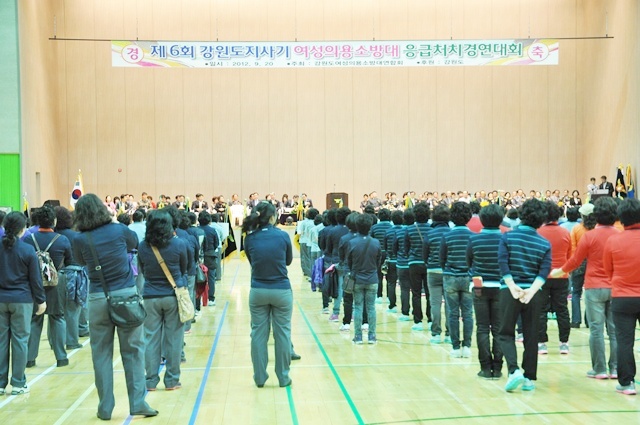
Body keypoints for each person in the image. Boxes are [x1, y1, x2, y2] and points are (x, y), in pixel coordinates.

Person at [72, 193, 157, 420]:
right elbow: (133, 243)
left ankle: (105, 407)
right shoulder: (119, 230)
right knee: (133, 351)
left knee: (100, 354)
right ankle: (138, 402)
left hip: (97, 298)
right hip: (126, 296)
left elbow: (80, 261)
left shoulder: (80, 239)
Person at [550, 197, 620, 380]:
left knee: (596, 330)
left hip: (594, 286)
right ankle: (615, 369)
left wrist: (560, 271)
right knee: (614, 330)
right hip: (615, 287)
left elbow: (575, 260)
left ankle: (599, 369)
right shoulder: (619, 235)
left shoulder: (589, 236)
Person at [497, 199, 551, 393]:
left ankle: (513, 370)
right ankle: (529, 378)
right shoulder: (544, 243)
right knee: (531, 335)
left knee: (505, 333)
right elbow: (544, 270)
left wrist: (512, 286)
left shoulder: (508, 237)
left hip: (509, 291)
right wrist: (531, 291)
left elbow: (503, 262)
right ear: (541, 221)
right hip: (533, 294)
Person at [243, 201, 293, 388]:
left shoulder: (250, 238)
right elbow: (288, 261)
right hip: (281, 290)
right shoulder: (283, 236)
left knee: (258, 334)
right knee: (282, 334)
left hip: (258, 290)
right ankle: (283, 376)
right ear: (273, 217)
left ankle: (259, 377)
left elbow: (252, 261)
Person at [138, 210, 188, 391]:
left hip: (150, 296)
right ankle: (172, 380)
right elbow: (184, 268)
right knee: (174, 338)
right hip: (173, 296)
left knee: (150, 338)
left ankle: (150, 380)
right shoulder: (179, 243)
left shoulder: (143, 246)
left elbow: (142, 269)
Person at [0, 212, 46, 396]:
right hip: (22, 301)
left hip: (1, 300)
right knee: (20, 341)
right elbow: (35, 279)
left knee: (1, 341)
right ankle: (18, 383)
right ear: (23, 229)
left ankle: (0, 384)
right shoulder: (27, 250)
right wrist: (41, 300)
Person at [24, 204, 72, 368]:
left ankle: (30, 359)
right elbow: (69, 261)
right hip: (56, 283)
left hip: (34, 283)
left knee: (35, 319)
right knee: (57, 317)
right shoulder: (62, 240)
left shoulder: (28, 239)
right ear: (54, 221)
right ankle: (61, 358)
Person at [603, 198, 640, 395]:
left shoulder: (613, 240)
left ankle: (627, 383)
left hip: (622, 297)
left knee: (624, 341)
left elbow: (608, 270)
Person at [467, 204, 505, 379]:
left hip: (479, 286)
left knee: (482, 327)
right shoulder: (506, 239)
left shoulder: (473, 239)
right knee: (498, 328)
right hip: (501, 286)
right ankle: (497, 368)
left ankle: (485, 368)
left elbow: (468, 262)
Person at [536, 202, 572, 355]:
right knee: (562, 309)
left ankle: (542, 343)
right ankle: (564, 343)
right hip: (561, 275)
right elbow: (570, 255)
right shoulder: (565, 232)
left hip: (542, 276)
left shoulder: (538, 232)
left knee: (541, 310)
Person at [440, 202, 474, 358]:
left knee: (452, 313)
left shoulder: (446, 236)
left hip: (450, 277)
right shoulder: (473, 236)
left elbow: (442, 259)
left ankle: (455, 347)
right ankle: (467, 346)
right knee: (468, 313)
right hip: (468, 278)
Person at [54, 206, 89, 350]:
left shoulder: (53, 235)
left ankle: (55, 342)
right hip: (74, 273)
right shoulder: (76, 236)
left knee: (55, 312)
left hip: (53, 276)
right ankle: (72, 341)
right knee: (73, 309)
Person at [347, 214, 382, 344]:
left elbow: (349, 262)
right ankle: (372, 336)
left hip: (357, 279)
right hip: (372, 279)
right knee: (371, 307)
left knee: (358, 307)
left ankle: (358, 336)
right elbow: (378, 261)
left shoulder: (352, 243)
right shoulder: (376, 242)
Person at [422, 205, 452, 344]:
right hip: (448, 271)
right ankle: (449, 333)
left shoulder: (430, 233)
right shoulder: (451, 232)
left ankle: (435, 333)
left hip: (433, 271)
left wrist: (429, 264)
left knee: (434, 303)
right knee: (449, 304)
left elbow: (425, 254)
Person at [405, 202, 432, 331]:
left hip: (413, 263)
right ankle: (430, 318)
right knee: (429, 292)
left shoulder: (409, 229)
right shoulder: (432, 228)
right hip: (428, 263)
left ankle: (417, 320)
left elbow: (406, 248)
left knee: (416, 293)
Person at [198, 211, 219, 305]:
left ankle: (198, 299)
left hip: (198, 257)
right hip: (210, 256)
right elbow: (216, 244)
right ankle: (211, 299)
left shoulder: (197, 230)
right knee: (211, 278)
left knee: (198, 277)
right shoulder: (212, 230)